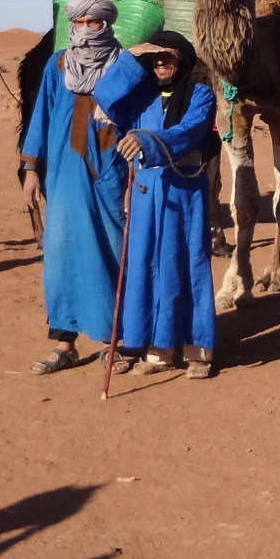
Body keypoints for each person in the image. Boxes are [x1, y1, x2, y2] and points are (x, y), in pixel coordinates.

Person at [19, 0, 146, 374]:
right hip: (61, 171)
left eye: (95, 23)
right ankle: (65, 342)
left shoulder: (125, 66)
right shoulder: (58, 65)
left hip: (110, 171)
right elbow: (40, 114)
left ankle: (115, 340)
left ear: (107, 25)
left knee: (111, 249)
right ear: (71, 25)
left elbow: (141, 119)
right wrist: (29, 169)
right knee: (61, 253)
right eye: (80, 23)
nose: (87, 30)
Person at [113, 31, 220, 379]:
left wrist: (147, 139)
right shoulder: (139, 96)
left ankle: (197, 351)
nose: (161, 64)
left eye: (169, 57)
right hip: (146, 190)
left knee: (187, 262)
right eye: (155, 59)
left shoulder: (200, 94)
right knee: (147, 265)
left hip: (184, 187)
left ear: (183, 60)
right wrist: (130, 58)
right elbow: (105, 97)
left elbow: (192, 129)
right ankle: (159, 350)